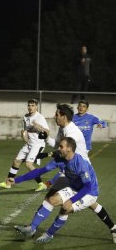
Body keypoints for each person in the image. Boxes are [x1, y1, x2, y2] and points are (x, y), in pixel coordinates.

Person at [34, 103, 116, 242]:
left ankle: (37, 229)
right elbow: (58, 146)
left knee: (60, 201)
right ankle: (113, 228)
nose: (54, 117)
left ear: (63, 117)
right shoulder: (63, 129)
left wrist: (47, 155)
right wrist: (46, 137)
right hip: (72, 170)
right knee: (91, 203)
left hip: (80, 171)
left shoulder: (72, 132)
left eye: (57, 114)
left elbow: (63, 152)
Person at [0, 99, 49, 192]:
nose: (30, 107)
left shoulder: (40, 117)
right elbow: (25, 131)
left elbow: (47, 132)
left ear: (36, 107)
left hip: (38, 144)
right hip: (29, 144)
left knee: (29, 164)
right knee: (16, 161)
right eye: (29, 105)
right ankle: (8, 183)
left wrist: (38, 127)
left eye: (32, 105)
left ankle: (41, 184)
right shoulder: (26, 117)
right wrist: (24, 136)